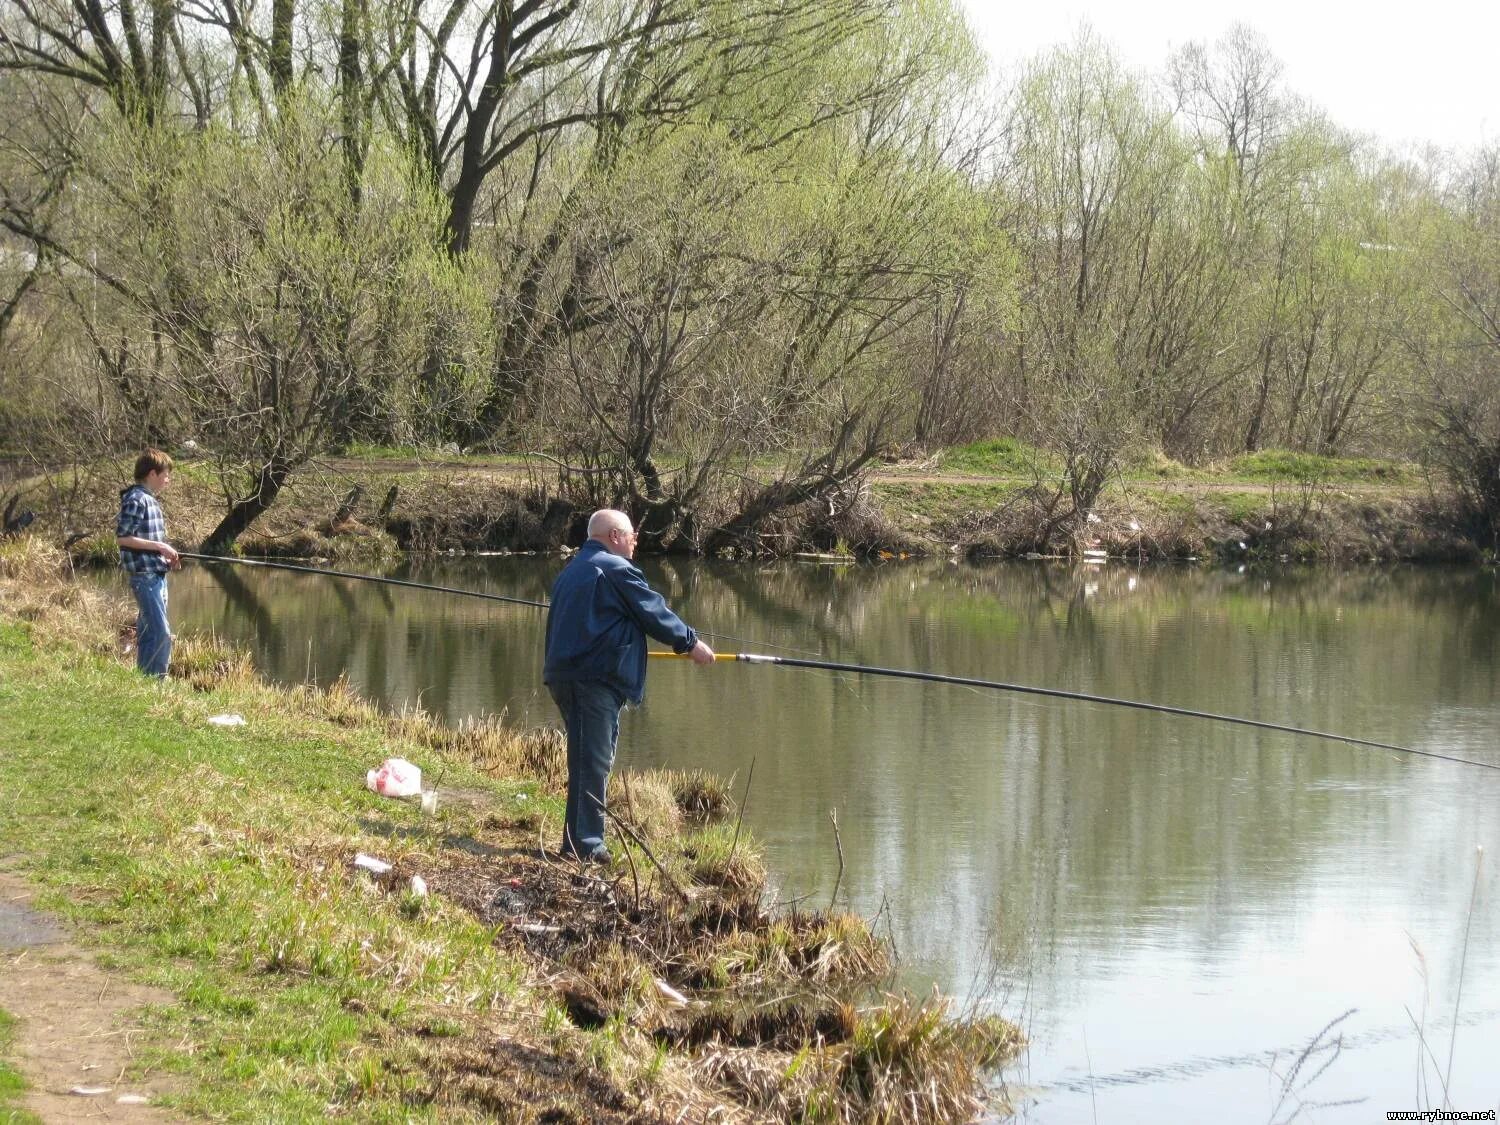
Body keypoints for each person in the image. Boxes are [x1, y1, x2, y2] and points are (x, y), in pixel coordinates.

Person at [543, 509, 714, 862]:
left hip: (564, 678)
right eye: (633, 535)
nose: (636, 542)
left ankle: (574, 843)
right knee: (594, 761)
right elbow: (653, 611)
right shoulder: (615, 569)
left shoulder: (570, 572)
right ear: (615, 536)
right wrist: (690, 643)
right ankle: (589, 846)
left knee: (583, 759)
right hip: (594, 681)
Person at [116, 449, 180, 677]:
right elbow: (123, 537)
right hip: (144, 578)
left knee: (147, 633)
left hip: (156, 575)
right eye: (165, 474)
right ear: (152, 473)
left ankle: (144, 680)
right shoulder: (136, 499)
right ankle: (158, 684)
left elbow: (148, 542)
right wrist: (160, 547)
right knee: (161, 633)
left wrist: (165, 556)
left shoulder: (150, 500)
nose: (168, 479)